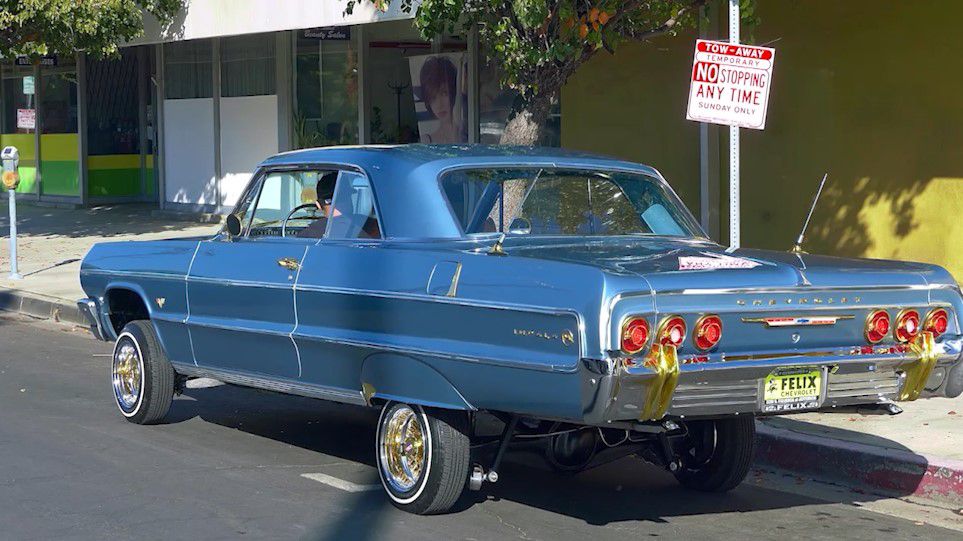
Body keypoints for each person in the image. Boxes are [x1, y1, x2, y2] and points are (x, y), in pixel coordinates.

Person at [419, 55, 467, 143]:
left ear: (453, 91)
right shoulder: (426, 141)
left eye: (444, 93)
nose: (439, 104)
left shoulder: (469, 135)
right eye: (433, 98)